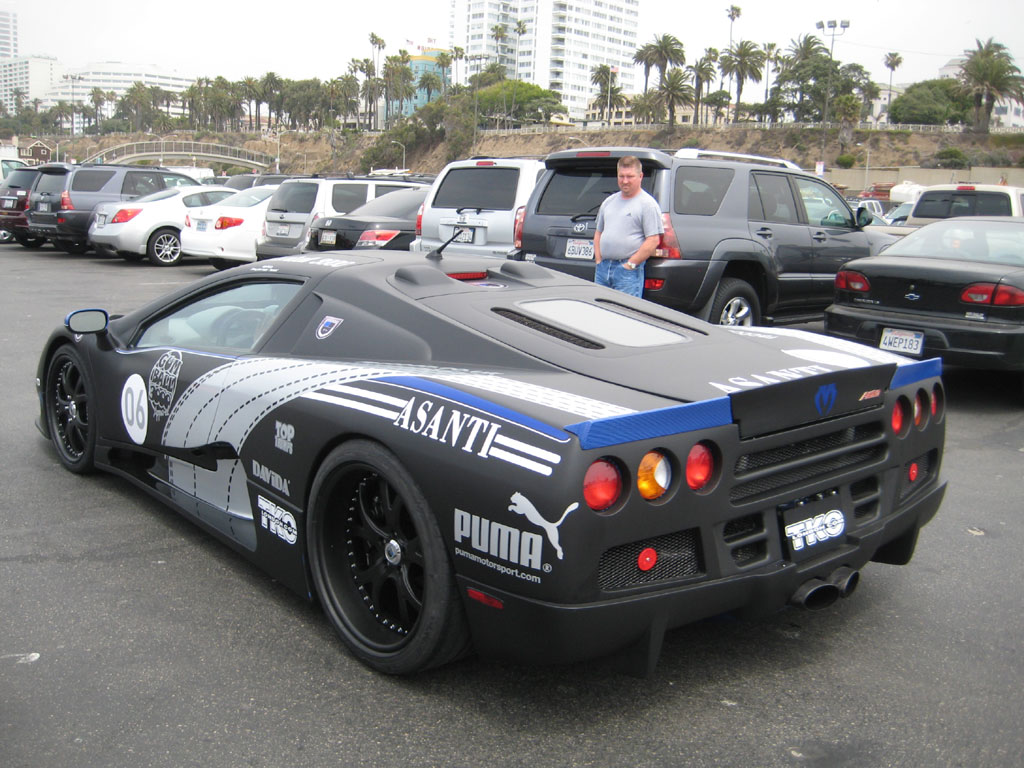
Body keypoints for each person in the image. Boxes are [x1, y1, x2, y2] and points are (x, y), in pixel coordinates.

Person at [593, 156, 664, 297]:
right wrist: (599, 260)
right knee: (599, 313)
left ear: (640, 176)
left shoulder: (647, 204)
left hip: (628, 272)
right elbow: (598, 233)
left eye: (630, 176)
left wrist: (630, 265)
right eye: (621, 176)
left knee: (624, 314)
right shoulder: (609, 202)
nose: (625, 181)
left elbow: (653, 240)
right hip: (603, 269)